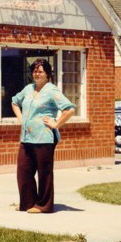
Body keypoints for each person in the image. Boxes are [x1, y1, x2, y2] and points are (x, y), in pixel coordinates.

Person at [11, 58, 75, 214]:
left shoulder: (52, 90)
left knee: (44, 173)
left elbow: (69, 109)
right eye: (34, 71)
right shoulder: (28, 89)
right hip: (26, 137)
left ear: (47, 74)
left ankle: (44, 205)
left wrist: (56, 124)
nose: (36, 74)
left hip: (45, 137)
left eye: (40, 71)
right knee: (23, 171)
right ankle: (28, 203)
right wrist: (21, 119)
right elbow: (14, 101)